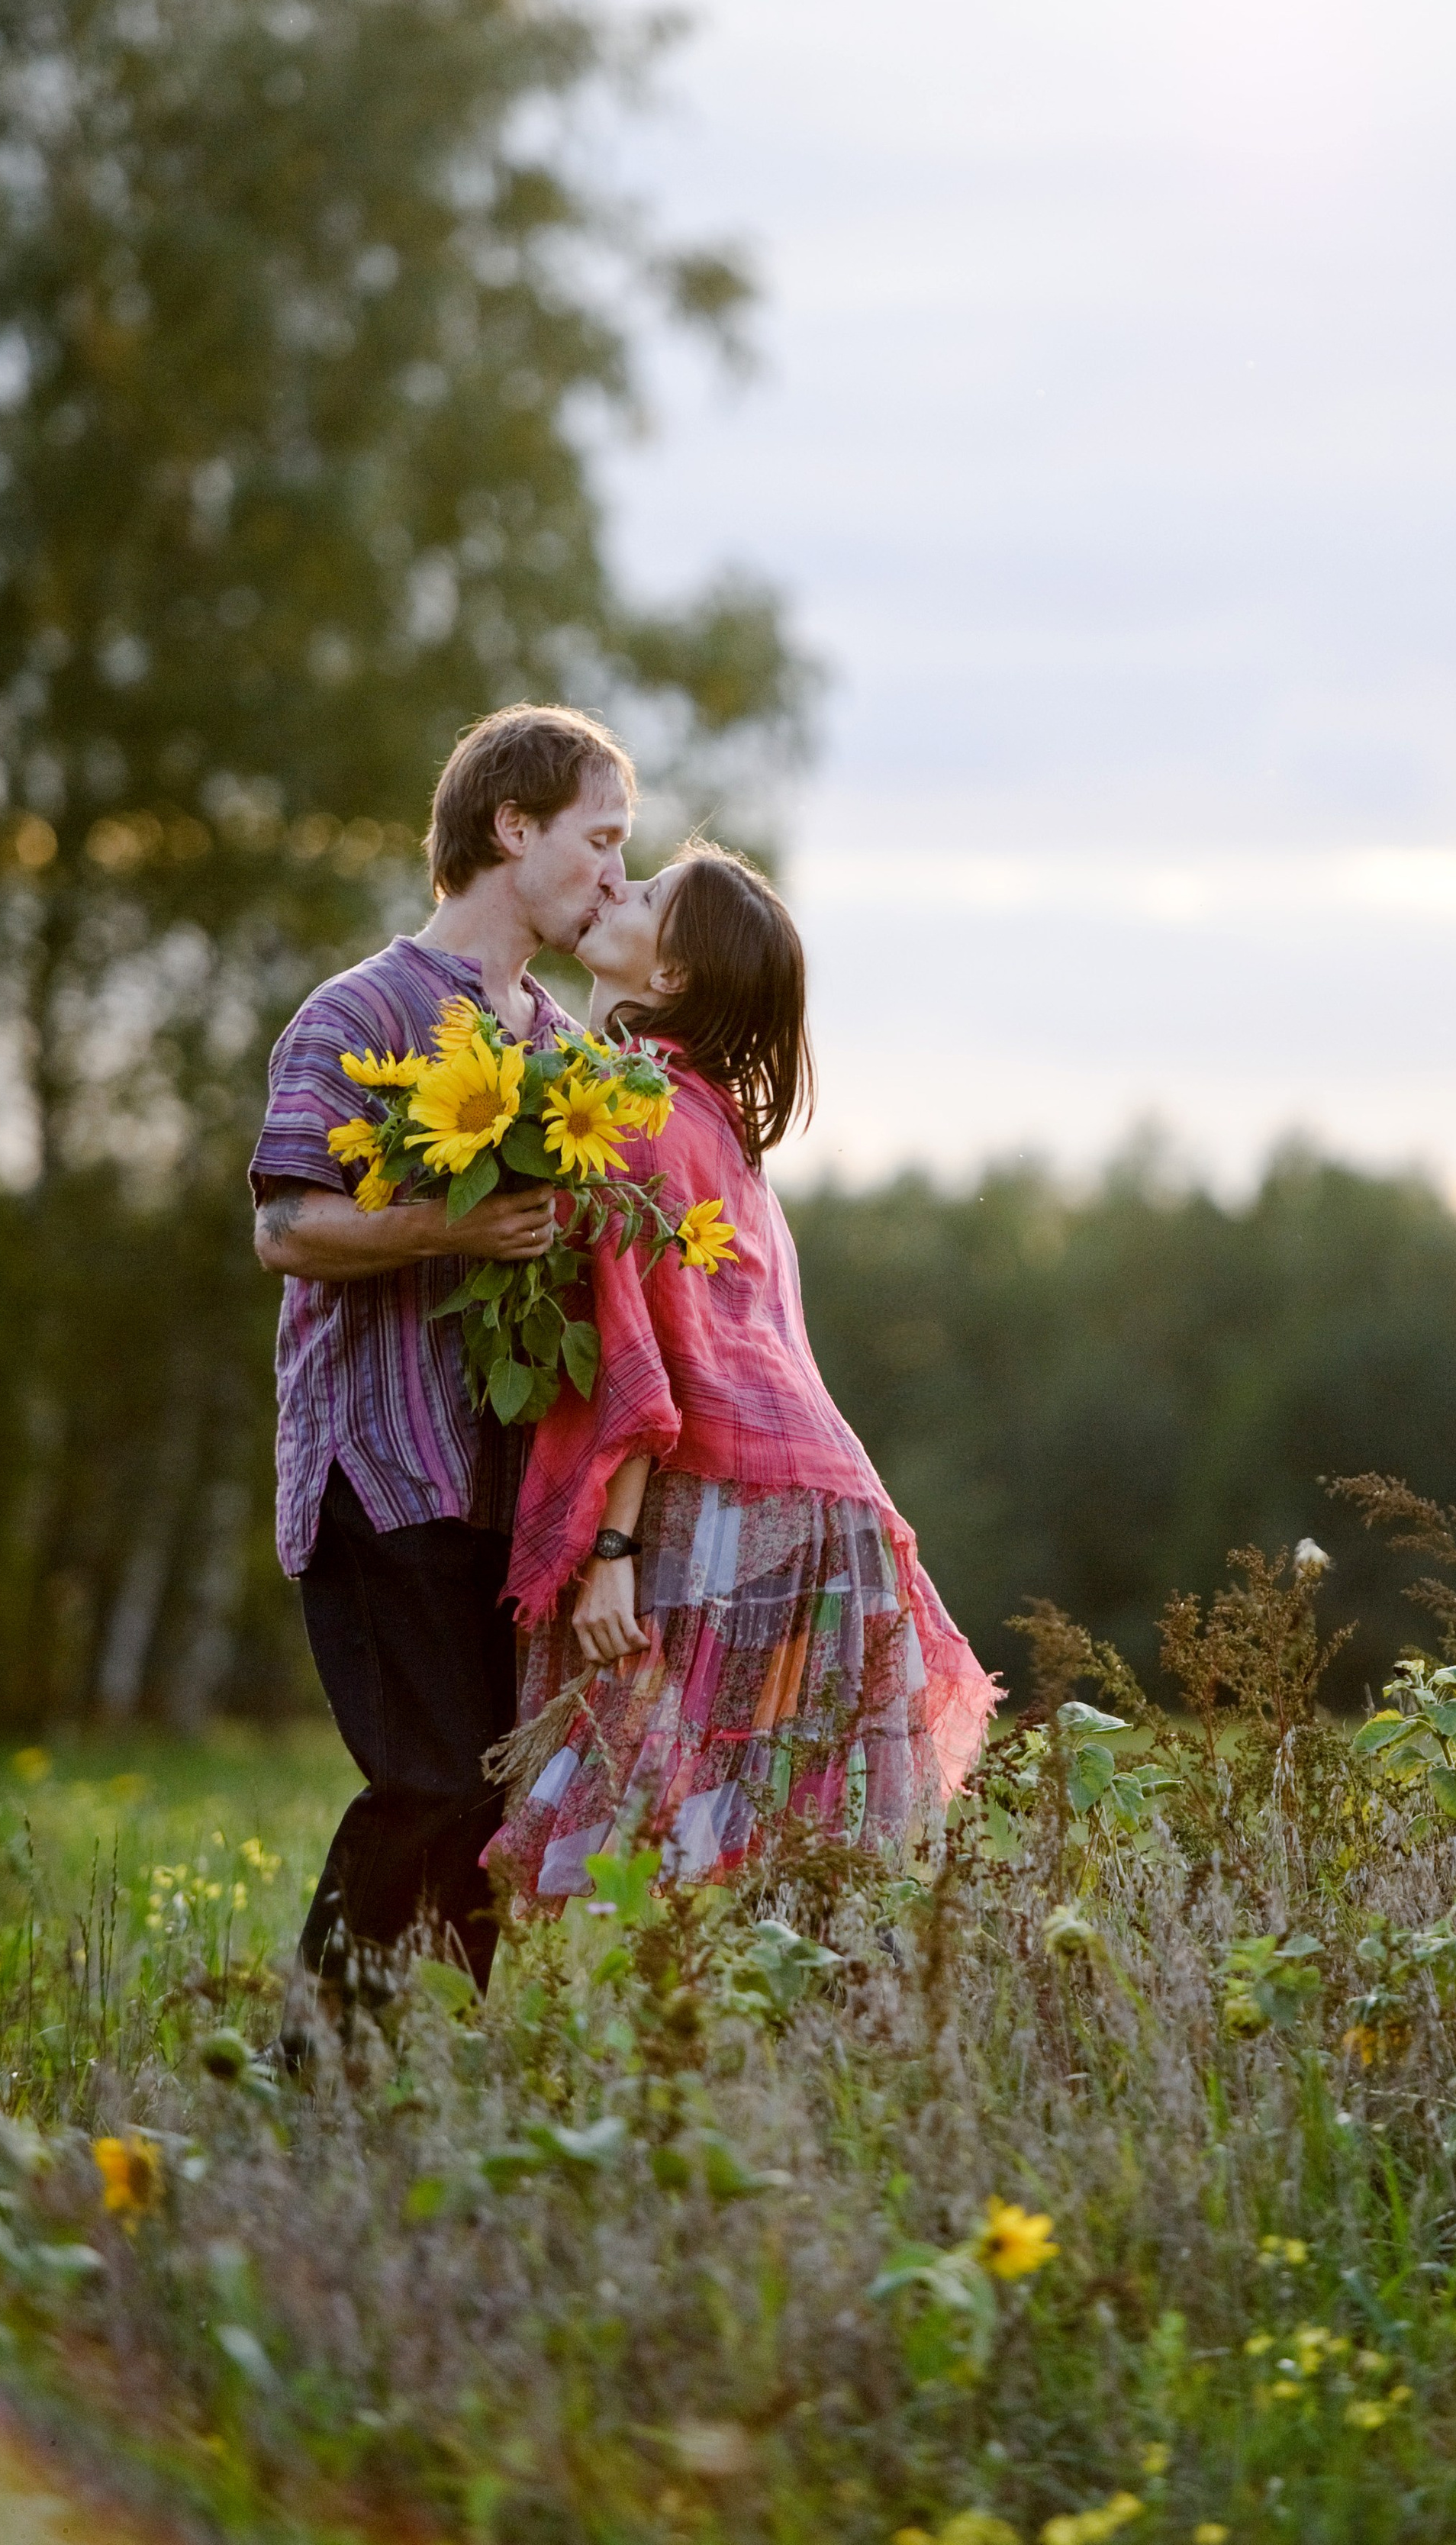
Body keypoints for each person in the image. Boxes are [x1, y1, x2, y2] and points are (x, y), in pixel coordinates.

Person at [487, 839, 997, 1902]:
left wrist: (613, 1549)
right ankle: (776, 2050)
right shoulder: (714, 1122)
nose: (620, 885)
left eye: (652, 893)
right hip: (823, 1509)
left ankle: (694, 2050)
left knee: (678, 1826)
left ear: (670, 978)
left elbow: (639, 1350)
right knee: (753, 1831)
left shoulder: (644, 1108)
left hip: (737, 1502)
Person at [250, 701, 634, 2031]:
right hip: (382, 1464)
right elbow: (286, 1227)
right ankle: (318, 2073)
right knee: (430, 1779)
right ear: (510, 826)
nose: (612, 872)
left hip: (510, 1489)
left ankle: (417, 2079)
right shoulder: (359, 1010)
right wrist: (443, 1225)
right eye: (599, 838)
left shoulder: (561, 1047)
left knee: (492, 1797)